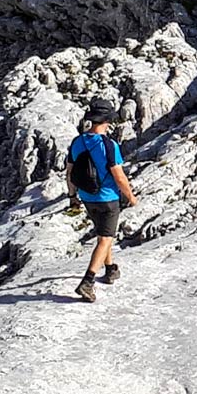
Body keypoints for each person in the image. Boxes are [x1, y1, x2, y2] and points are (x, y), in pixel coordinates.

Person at [68, 105, 138, 302]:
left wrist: (72, 196)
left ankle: (110, 270)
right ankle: (87, 282)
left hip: (87, 197)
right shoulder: (109, 145)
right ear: (107, 122)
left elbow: (69, 172)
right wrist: (131, 197)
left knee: (102, 233)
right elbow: (119, 176)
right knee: (105, 239)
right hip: (107, 198)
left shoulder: (77, 141)